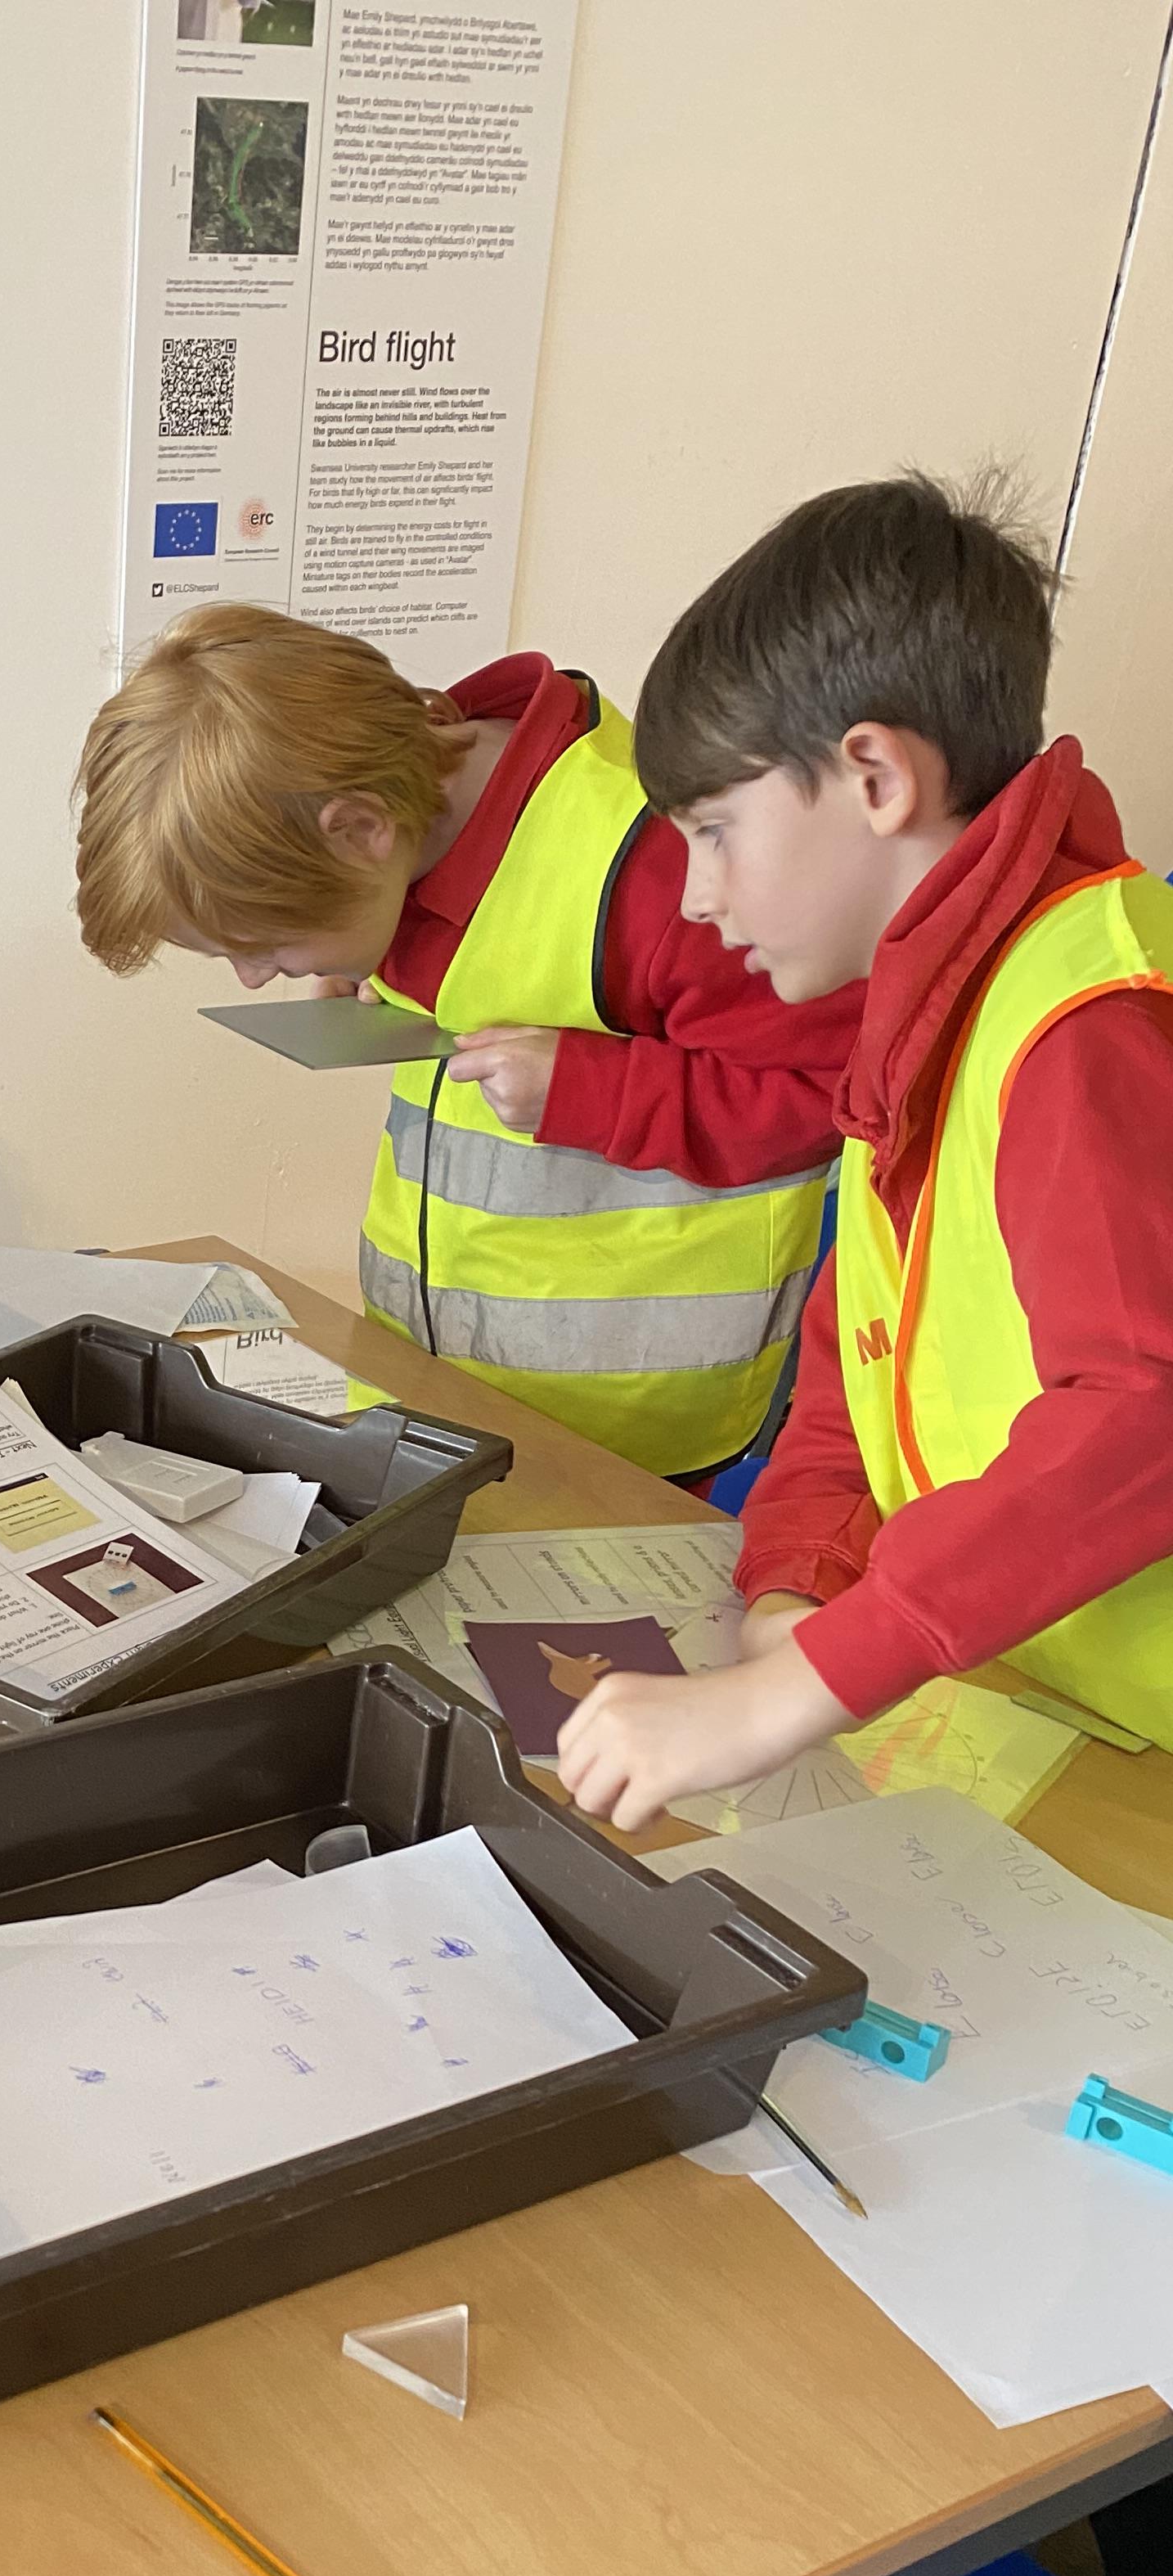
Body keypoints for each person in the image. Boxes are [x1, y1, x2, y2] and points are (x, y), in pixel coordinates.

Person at [553, 473, 1173, 1836]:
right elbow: (858, 1374)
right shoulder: (912, 1016)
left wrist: (799, 1689)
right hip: (1032, 1705)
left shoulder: (1085, 1020)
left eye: (714, 831)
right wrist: (798, 1592)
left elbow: (1145, 1408)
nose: (696, 896)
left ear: (876, 778)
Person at [74, 603, 858, 1479]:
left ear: (359, 832)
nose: (256, 978)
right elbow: (496, 954)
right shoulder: (399, 826)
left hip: (631, 1415)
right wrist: (373, 962)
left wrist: (591, 1091)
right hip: (447, 1376)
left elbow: (826, 1094)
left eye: (263, 945)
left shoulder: (661, 874)